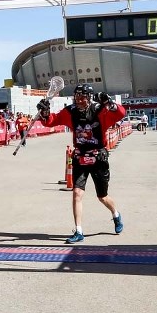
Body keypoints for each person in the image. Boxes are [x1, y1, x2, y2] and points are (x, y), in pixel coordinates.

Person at [37, 84, 125, 244]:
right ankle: (78, 231)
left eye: (82, 97)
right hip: (80, 158)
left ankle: (116, 214)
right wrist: (45, 112)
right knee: (77, 193)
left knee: (102, 196)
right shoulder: (70, 112)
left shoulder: (99, 110)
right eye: (76, 97)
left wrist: (109, 103)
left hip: (98, 158)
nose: (78, 100)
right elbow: (51, 121)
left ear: (89, 97)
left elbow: (120, 114)